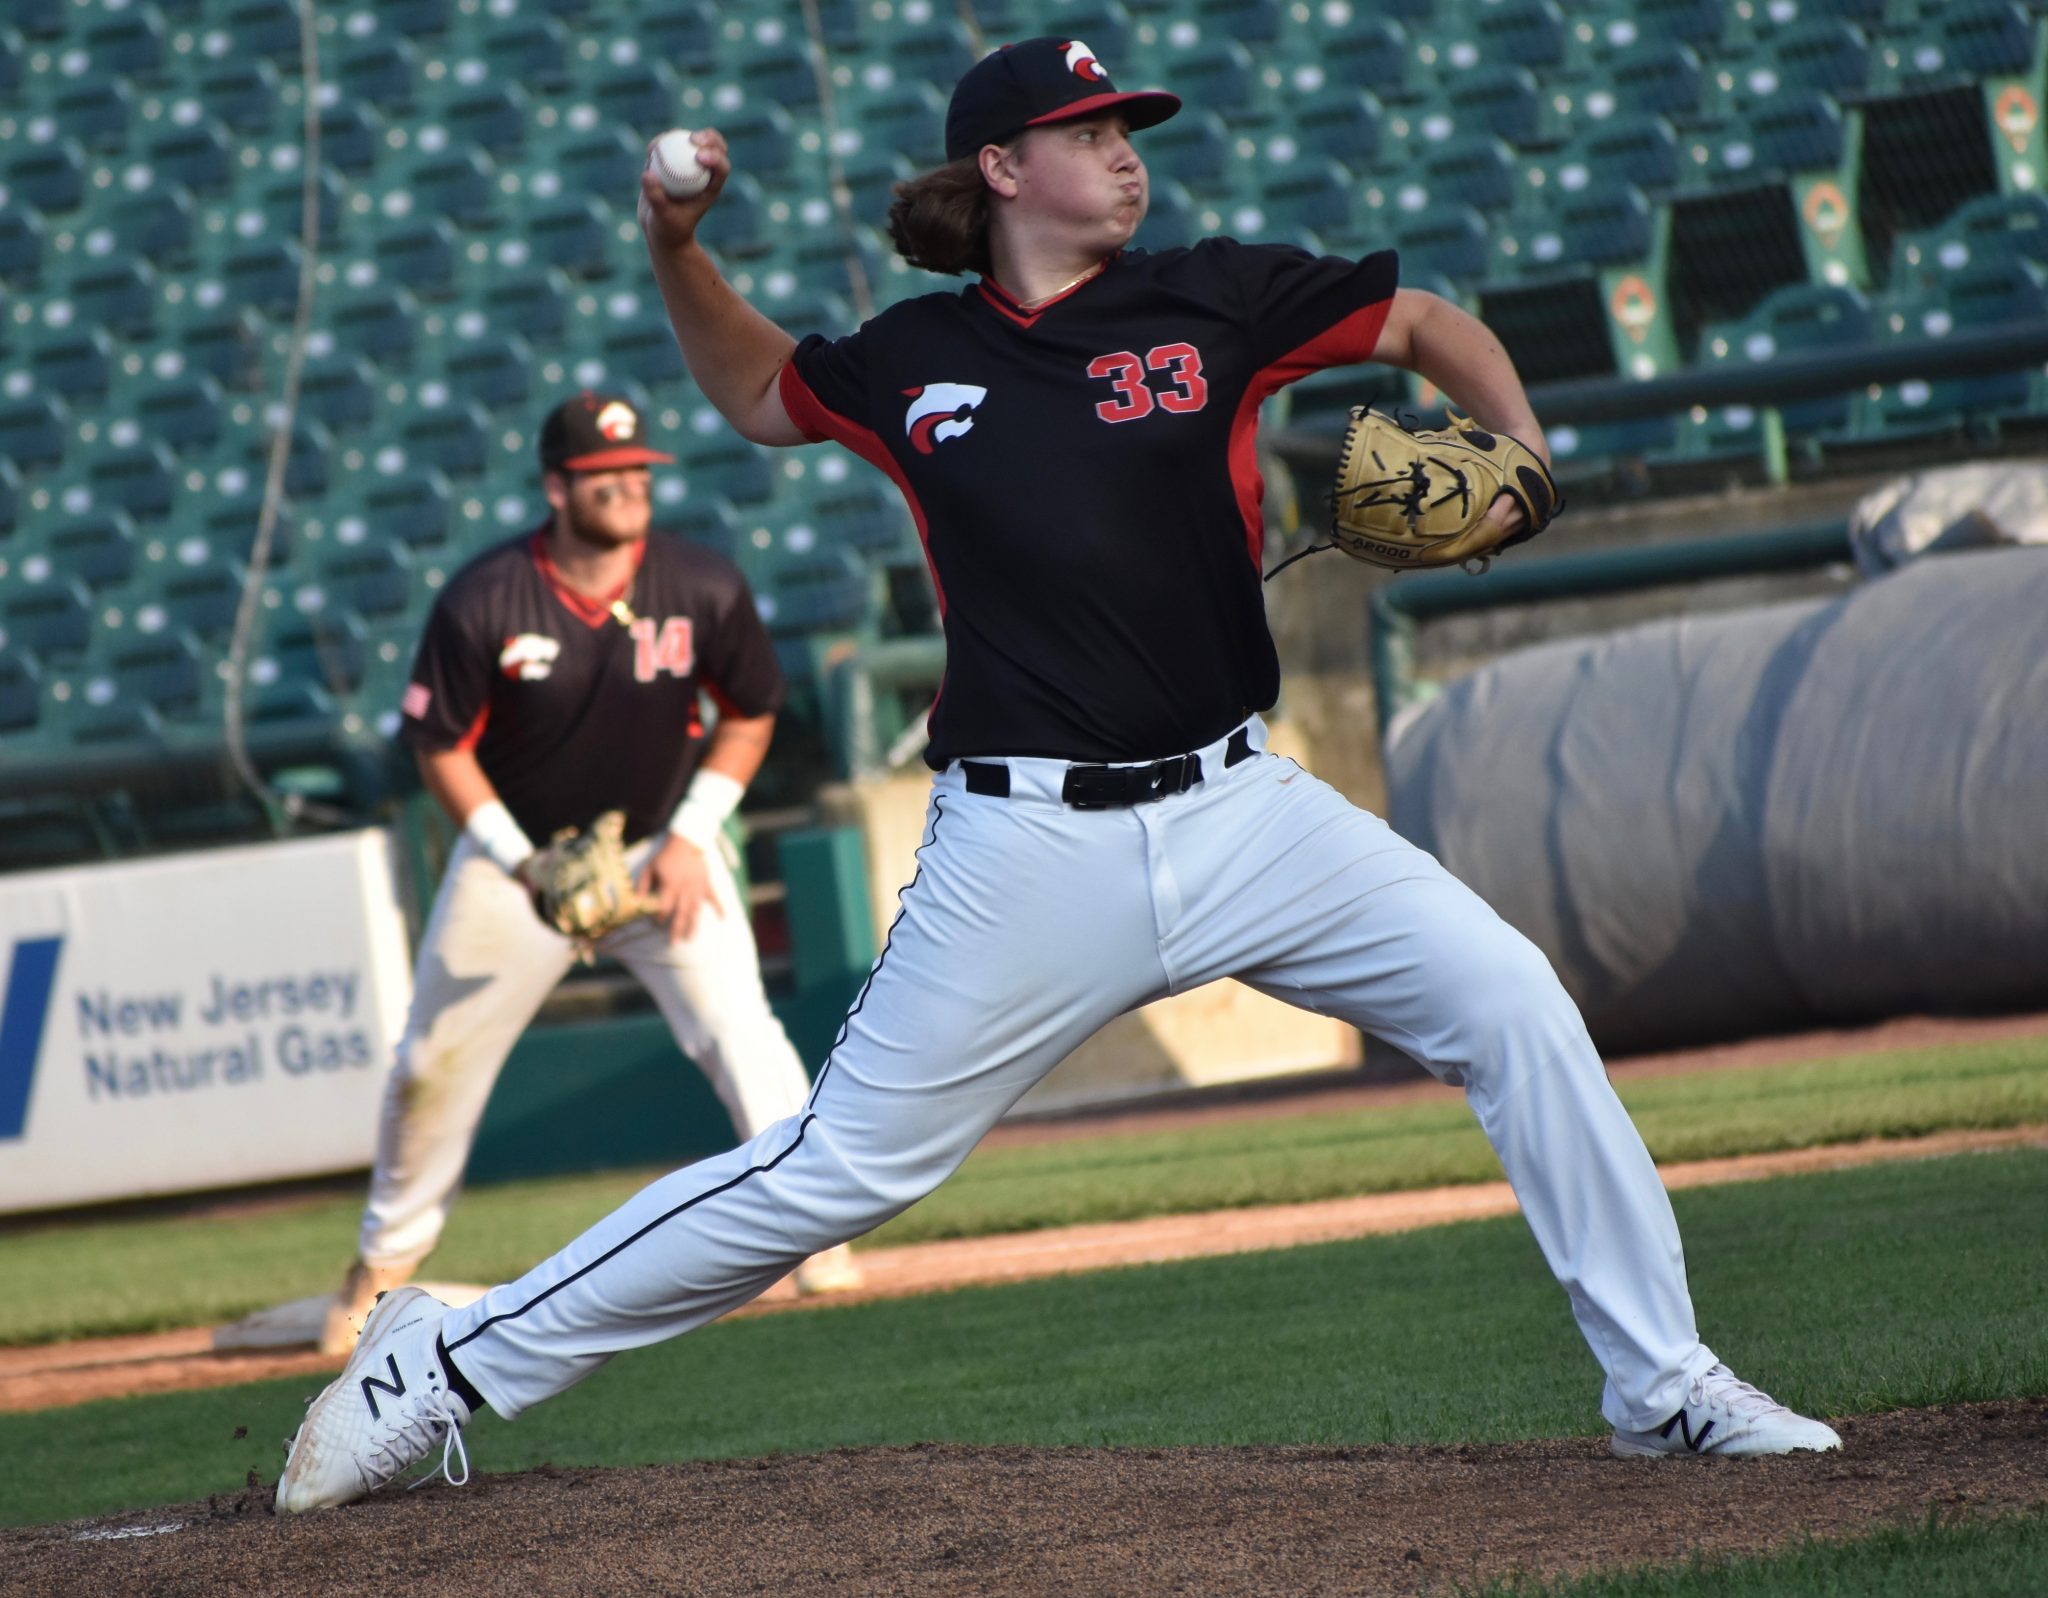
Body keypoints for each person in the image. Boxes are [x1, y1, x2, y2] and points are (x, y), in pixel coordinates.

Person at [277, 39, 1839, 1510]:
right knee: (837, 1168)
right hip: (1026, 848)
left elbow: (1424, 322)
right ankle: (446, 1351)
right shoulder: (918, 361)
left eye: (1126, 131)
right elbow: (756, 394)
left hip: (1248, 810)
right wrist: (677, 246)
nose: (1122, 153)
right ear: (1005, 168)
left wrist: (1524, 447)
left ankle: (1665, 1383)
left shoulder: (1210, 300)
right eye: (1090, 133)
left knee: (1513, 1001)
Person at [312, 391, 861, 1359]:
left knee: (740, 1029)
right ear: (556, 486)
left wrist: (694, 834)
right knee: (432, 1063)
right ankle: (383, 1264)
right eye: (604, 474)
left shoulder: (700, 582)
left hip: (658, 849)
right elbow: (439, 744)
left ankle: (812, 1232)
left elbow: (749, 710)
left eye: (638, 470)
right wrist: (519, 859)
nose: (627, 486)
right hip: (521, 863)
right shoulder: (487, 595)